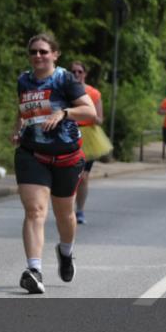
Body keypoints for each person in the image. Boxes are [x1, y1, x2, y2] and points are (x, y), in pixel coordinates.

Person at [12, 34, 95, 294]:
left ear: (55, 54)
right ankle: (34, 270)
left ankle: (66, 251)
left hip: (66, 157)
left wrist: (64, 113)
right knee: (35, 211)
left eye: (44, 52)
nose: (38, 56)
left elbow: (90, 112)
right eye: (34, 51)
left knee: (64, 215)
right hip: (32, 154)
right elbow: (24, 107)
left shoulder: (65, 80)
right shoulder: (24, 80)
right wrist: (17, 129)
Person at [69, 61, 103, 225]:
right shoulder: (64, 90)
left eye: (79, 72)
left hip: (88, 135)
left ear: (85, 74)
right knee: (69, 176)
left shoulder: (93, 93)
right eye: (73, 72)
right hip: (68, 133)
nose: (76, 74)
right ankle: (67, 209)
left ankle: (80, 210)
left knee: (83, 177)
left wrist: (93, 117)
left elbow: (100, 118)